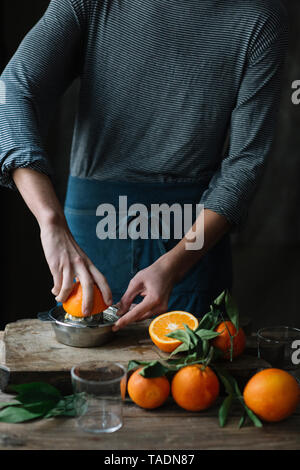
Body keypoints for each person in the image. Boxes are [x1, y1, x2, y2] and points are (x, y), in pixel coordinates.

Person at [0, 0, 288, 331]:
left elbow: (246, 162)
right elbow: (10, 92)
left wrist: (177, 263)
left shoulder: (260, 18)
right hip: (94, 231)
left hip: (193, 238)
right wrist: (50, 220)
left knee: (192, 378)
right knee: (89, 376)